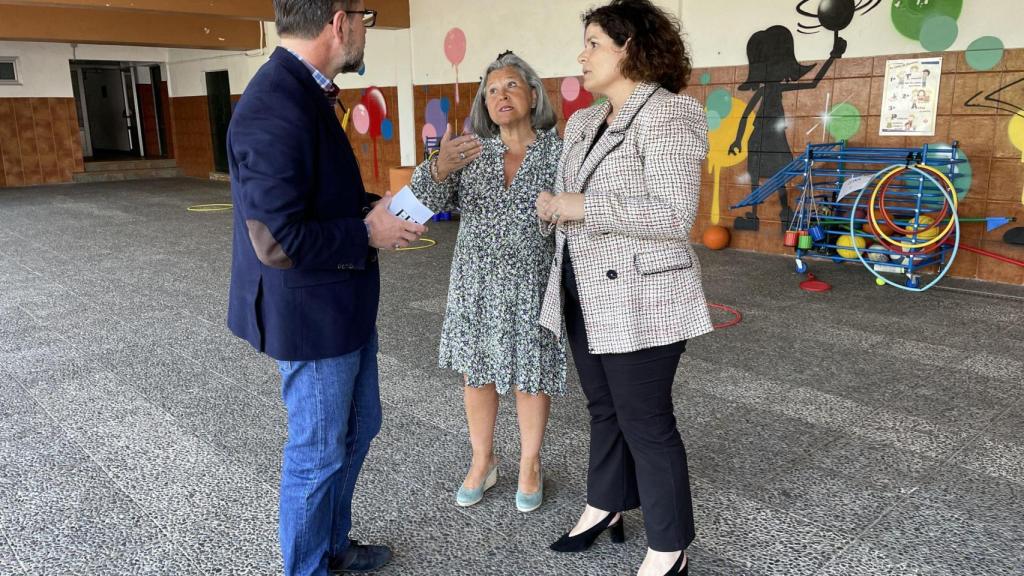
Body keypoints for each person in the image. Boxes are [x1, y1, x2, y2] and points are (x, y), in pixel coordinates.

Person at [226, 1, 426, 574]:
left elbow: (317, 200)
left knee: (360, 427)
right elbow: (278, 240)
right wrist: (368, 230)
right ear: (339, 22)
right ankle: (308, 566)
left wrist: (374, 208)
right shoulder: (274, 102)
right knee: (316, 454)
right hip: (311, 317)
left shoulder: (305, 92)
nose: (367, 30)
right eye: (366, 17)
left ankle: (329, 547)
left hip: (340, 306)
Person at [535, 1, 713, 574]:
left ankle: (670, 545)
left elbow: (672, 212)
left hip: (644, 297)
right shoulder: (585, 121)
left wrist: (580, 206)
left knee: (646, 420)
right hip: (583, 290)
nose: (581, 55)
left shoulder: (672, 115)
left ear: (629, 48)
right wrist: (553, 209)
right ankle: (604, 505)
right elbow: (570, 200)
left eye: (593, 43)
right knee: (604, 408)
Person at [408, 51, 565, 512]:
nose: (501, 95)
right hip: (475, 283)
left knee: (531, 376)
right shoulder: (470, 150)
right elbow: (423, 202)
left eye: (512, 86)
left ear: (533, 94)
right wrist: (438, 166)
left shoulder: (560, 152)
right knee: (477, 373)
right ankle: (483, 460)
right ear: (484, 101)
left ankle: (530, 464)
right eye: (492, 89)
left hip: (534, 284)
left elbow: (581, 209)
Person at [727, 24, 845, 229]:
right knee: (759, 175)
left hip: (773, 137)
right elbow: (745, 115)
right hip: (760, 137)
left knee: (778, 175)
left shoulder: (773, 89)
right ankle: (757, 216)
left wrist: (833, 57)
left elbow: (813, 84)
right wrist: (737, 140)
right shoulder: (765, 91)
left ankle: (783, 213)